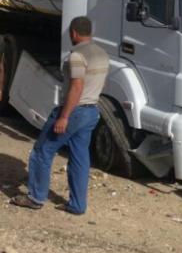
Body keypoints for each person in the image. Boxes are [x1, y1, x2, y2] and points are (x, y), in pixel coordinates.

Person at [11, 16, 109, 215]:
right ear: (90, 32)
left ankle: (35, 197)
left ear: (74, 33)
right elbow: (101, 83)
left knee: (42, 151)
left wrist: (64, 116)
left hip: (74, 111)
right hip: (91, 110)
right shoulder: (102, 53)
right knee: (80, 156)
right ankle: (77, 205)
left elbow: (76, 87)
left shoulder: (77, 56)